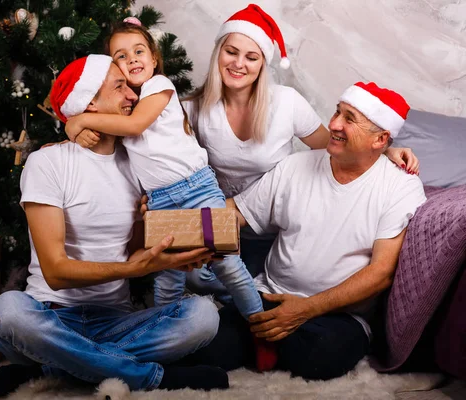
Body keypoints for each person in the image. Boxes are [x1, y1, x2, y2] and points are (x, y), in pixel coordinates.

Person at [0, 54, 229, 398]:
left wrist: (174, 256)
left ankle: (58, 368)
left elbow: (134, 251)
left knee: (203, 316)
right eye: (120, 87)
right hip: (50, 316)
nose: (133, 96)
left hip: (116, 321)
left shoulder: (137, 167)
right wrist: (134, 268)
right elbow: (56, 272)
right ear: (89, 102)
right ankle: (150, 377)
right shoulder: (48, 162)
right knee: (9, 311)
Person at [181, 81, 427, 380]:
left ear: (380, 140)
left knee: (321, 354)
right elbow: (234, 213)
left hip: (335, 315)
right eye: (337, 112)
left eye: (349, 119)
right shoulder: (295, 167)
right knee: (208, 349)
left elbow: (381, 272)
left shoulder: (400, 186)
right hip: (267, 297)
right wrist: (168, 219)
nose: (334, 123)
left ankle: (267, 343)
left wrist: (305, 309)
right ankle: (267, 337)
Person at [181, 4, 420, 294]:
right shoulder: (191, 110)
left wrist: (384, 152)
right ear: (218, 52)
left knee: (262, 290)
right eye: (231, 52)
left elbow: (333, 146)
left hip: (273, 234)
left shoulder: (286, 103)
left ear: (262, 64)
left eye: (251, 57)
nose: (238, 64)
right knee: (195, 279)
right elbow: (178, 175)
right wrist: (163, 217)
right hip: (222, 219)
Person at [62, 18, 264, 321]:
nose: (132, 59)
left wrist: (79, 121)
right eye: (121, 56)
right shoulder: (125, 104)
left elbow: (135, 126)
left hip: (197, 188)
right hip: (161, 201)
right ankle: (163, 331)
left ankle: (260, 326)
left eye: (139, 51)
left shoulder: (159, 86)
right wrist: (72, 134)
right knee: (167, 277)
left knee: (227, 264)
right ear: (114, 67)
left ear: (154, 58)